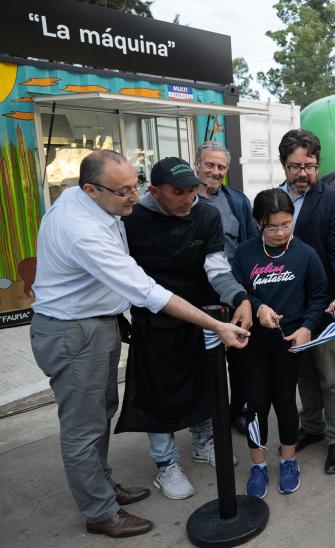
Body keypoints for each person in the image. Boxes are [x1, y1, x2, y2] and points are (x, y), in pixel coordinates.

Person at [30, 149, 249, 539]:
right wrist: (215, 324)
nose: (133, 198)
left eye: (134, 186)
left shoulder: (88, 204)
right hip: (73, 331)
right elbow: (148, 291)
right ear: (91, 191)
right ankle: (100, 512)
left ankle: (102, 488)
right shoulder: (84, 230)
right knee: (84, 427)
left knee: (100, 414)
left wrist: (234, 298)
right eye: (124, 191)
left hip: (96, 323)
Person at [115, 157, 252, 500]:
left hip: (200, 316)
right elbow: (115, 274)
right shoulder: (130, 222)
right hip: (153, 322)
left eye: (193, 190)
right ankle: (166, 464)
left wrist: (240, 297)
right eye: (178, 192)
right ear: (154, 191)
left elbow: (217, 269)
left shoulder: (206, 214)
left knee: (204, 385)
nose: (188, 199)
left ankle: (203, 443)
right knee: (157, 394)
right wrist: (119, 316)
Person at [231, 188, 328, 497]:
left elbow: (318, 296)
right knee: (256, 403)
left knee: (285, 401)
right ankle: (258, 465)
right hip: (252, 342)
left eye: (287, 224)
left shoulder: (305, 253)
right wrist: (256, 306)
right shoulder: (245, 253)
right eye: (272, 226)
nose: (280, 232)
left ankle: (288, 460)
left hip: (290, 341)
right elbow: (237, 291)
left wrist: (308, 328)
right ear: (258, 223)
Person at [278, 129, 335, 474]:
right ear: (283, 165)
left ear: (318, 163)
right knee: (304, 374)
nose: (302, 173)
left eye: (309, 166)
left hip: (326, 305)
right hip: (286, 308)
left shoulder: (334, 202)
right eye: (295, 166)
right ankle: (311, 427)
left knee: (332, 375)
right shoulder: (268, 199)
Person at [195, 141, 258, 434]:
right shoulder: (183, 199)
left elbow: (248, 246)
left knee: (241, 359)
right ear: (197, 164)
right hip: (195, 296)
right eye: (210, 164)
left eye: (221, 166)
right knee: (202, 362)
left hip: (233, 294)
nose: (215, 171)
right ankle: (205, 420)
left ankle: (238, 411)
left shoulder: (237, 201)